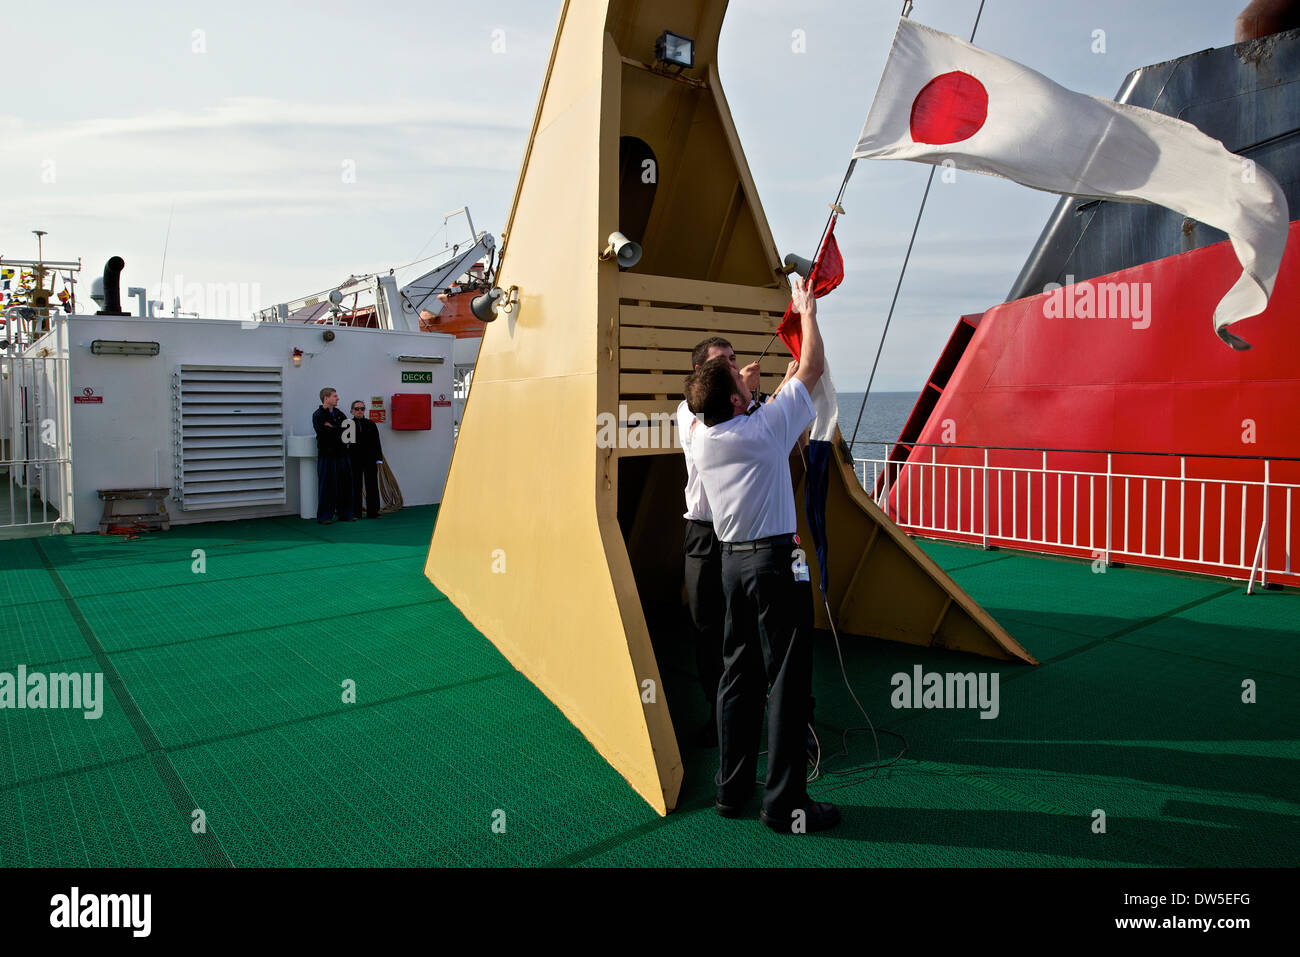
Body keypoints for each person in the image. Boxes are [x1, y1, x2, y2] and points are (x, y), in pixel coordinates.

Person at [684, 275, 839, 834]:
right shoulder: (766, 429)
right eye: (738, 375)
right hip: (781, 560)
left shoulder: (705, 436)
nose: (747, 374)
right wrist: (807, 314)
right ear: (732, 398)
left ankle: (731, 791)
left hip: (731, 563)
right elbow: (812, 370)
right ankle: (785, 804)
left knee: (736, 675)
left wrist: (740, 387)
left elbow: (731, 403)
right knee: (788, 678)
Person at [678, 338, 761, 746]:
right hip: (704, 533)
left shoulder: (745, 409)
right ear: (701, 375)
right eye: (721, 364)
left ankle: (756, 710)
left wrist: (751, 397)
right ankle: (720, 720)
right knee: (706, 628)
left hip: (742, 533)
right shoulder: (688, 412)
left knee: (748, 626)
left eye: (733, 360)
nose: (732, 366)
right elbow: (709, 432)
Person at [312, 387, 354, 524]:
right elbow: (324, 433)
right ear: (326, 398)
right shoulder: (318, 415)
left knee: (345, 485)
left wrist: (333, 428)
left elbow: (347, 432)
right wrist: (337, 430)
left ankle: (346, 514)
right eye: (335, 396)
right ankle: (325, 516)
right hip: (327, 456)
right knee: (327, 486)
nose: (338, 398)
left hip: (342, 455)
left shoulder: (340, 414)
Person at [346, 399, 385, 519]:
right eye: (357, 409)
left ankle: (373, 512)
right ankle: (355, 512)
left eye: (362, 408)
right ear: (352, 411)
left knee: (372, 485)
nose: (359, 411)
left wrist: (379, 458)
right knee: (355, 485)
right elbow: (345, 444)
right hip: (354, 460)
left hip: (370, 459)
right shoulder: (348, 424)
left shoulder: (371, 424)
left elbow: (376, 443)